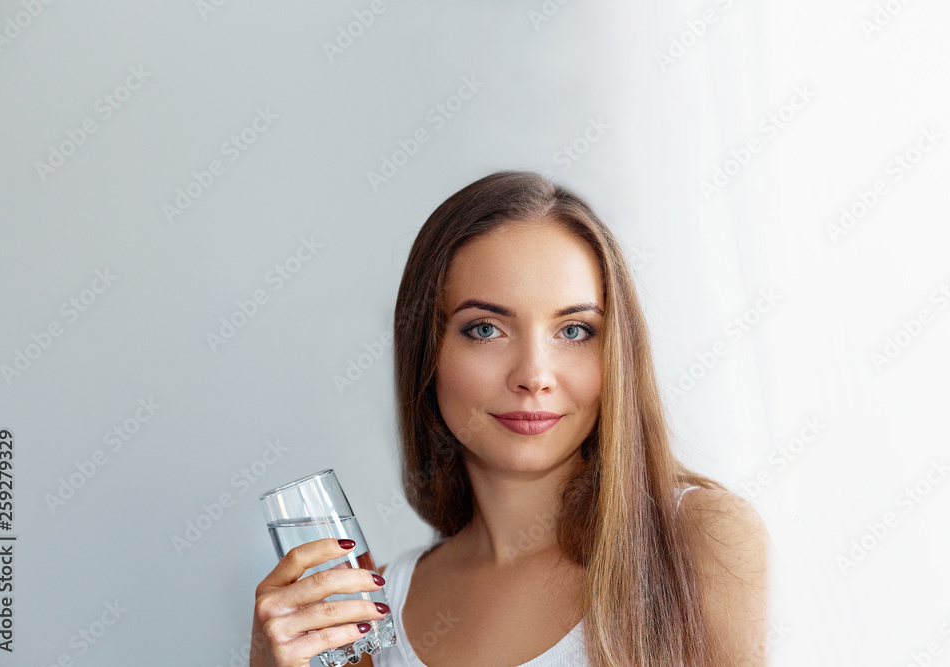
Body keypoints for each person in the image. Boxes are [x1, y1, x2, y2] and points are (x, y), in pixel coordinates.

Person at [250, 171, 768, 666]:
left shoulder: (697, 539)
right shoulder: (367, 616)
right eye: (485, 329)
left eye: (574, 331)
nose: (533, 376)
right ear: (427, 353)